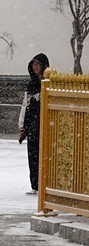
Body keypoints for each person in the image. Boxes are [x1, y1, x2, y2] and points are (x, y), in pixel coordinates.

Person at [16, 53, 49, 195]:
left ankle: (45, 184)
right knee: (33, 155)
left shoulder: (49, 83)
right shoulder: (31, 84)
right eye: (33, 65)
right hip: (32, 126)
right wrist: (22, 126)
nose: (35, 67)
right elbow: (26, 105)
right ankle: (35, 185)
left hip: (46, 125)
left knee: (45, 156)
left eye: (38, 64)